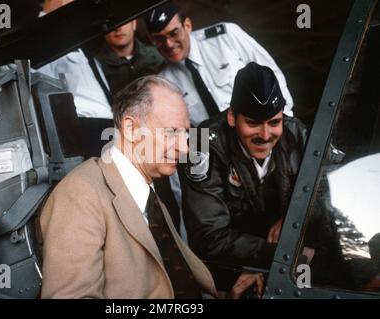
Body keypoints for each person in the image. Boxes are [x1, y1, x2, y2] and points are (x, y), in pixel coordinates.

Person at [39, 75, 263, 298]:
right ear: (131, 128)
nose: (185, 148)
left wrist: (232, 288)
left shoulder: (148, 193)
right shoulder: (80, 193)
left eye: (185, 133)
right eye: (172, 132)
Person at [179, 62, 309, 271]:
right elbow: (208, 238)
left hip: (290, 257)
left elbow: (329, 194)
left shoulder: (298, 134)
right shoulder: (200, 144)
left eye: (274, 123)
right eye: (253, 123)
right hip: (232, 270)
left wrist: (295, 218)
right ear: (232, 117)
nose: (265, 136)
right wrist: (284, 254)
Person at [144, 2, 294, 127]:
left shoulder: (225, 36)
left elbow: (271, 75)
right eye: (159, 39)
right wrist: (204, 158)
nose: (169, 44)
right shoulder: (163, 82)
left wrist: (284, 121)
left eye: (174, 33)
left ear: (187, 25)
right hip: (217, 150)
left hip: (259, 128)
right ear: (151, 40)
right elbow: (184, 129)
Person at [95, 19, 165, 94]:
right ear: (103, 29)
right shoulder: (95, 65)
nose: (118, 28)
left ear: (134, 24)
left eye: (123, 20)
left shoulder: (157, 55)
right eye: (110, 23)